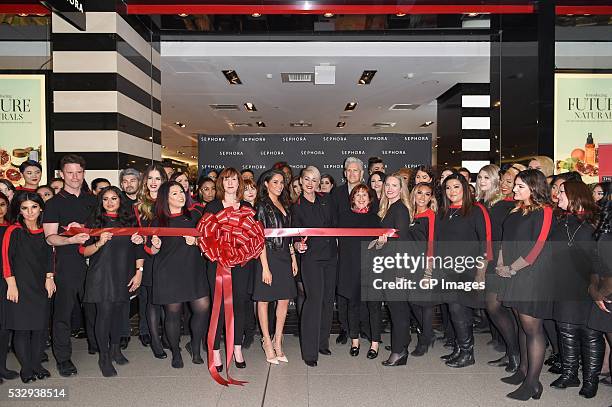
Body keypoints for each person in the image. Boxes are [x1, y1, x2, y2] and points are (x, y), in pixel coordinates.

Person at [496, 169, 553, 400]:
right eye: (515, 185)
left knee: (532, 328)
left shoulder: (545, 211)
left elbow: (537, 247)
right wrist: (501, 263)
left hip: (532, 275)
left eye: (521, 186)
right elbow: (504, 241)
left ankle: (533, 383)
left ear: (534, 188)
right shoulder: (515, 210)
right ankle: (523, 370)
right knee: (522, 325)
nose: (515, 189)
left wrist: (512, 268)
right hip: (513, 272)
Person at [42, 154, 97, 377]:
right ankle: (63, 358)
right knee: (63, 313)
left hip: (94, 261)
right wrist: (70, 238)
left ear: (84, 173)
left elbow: (104, 227)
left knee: (94, 307)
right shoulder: (54, 203)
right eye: (70, 172)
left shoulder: (93, 200)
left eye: (79, 172)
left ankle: (98, 344)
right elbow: (49, 237)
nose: (75, 177)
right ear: (61, 174)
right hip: (67, 263)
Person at [80, 186, 144, 377]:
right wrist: (99, 242)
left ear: (120, 200)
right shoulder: (95, 221)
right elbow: (83, 250)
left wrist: (139, 272)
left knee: (119, 314)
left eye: (114, 198)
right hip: (101, 276)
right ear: (101, 202)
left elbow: (138, 249)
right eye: (105, 199)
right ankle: (104, 357)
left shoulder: (130, 221)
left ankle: (116, 350)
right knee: (105, 315)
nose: (109, 202)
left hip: (123, 274)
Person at [550, 180, 604, 398]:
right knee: (566, 329)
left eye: (561, 192)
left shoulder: (595, 221)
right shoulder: (560, 220)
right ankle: (570, 374)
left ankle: (591, 381)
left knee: (590, 333)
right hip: (563, 283)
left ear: (575, 195)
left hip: (590, 284)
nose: (557, 196)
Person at [147, 181, 209, 369]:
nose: (180, 196)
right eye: (174, 193)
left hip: (193, 270)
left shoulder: (196, 216)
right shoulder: (157, 221)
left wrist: (197, 242)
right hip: (168, 273)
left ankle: (195, 346)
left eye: (181, 192)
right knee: (172, 315)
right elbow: (151, 250)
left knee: (202, 308)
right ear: (165, 199)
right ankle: (175, 351)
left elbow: (209, 242)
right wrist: (155, 246)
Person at [435, 173, 491, 369]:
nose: (452, 191)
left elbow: (486, 242)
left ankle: (468, 353)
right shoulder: (443, 212)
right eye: (448, 188)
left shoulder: (476, 210)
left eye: (456, 187)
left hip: (468, 269)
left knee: (460, 309)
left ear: (465, 188)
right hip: (448, 269)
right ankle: (460, 348)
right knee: (454, 310)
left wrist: (480, 273)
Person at [3, 192, 55, 383]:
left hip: (40, 285)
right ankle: (26, 368)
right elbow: (6, 260)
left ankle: (36, 365)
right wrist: (11, 284)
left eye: (34, 207)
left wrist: (50, 277)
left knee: (40, 329)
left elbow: (51, 257)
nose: (30, 212)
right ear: (19, 210)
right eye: (24, 208)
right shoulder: (13, 231)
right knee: (22, 330)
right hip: (20, 287)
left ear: (41, 208)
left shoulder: (46, 231)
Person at [204, 168, 252, 370]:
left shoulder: (248, 206)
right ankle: (215, 351)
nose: (230, 182)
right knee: (219, 309)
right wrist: (220, 253)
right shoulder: (213, 206)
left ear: (239, 183)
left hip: (241, 264)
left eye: (234, 179)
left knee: (239, 305)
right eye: (226, 179)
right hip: (218, 264)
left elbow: (253, 235)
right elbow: (205, 236)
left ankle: (237, 347)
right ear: (221, 183)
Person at [292, 166, 337, 367]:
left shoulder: (327, 200)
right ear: (301, 181)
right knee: (313, 301)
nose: (310, 183)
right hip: (310, 259)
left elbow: (336, 226)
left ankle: (322, 342)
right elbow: (293, 232)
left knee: (327, 301)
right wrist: (296, 244)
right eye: (307, 179)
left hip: (331, 257)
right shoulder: (297, 206)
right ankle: (309, 352)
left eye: (314, 180)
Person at [253, 170, 298, 364]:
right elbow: (259, 237)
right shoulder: (262, 206)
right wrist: (265, 267)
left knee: (284, 299)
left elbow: (287, 235)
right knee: (264, 300)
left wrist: (293, 257)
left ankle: (278, 340)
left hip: (284, 256)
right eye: (275, 182)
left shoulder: (285, 204)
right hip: (267, 256)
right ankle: (266, 342)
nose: (280, 186)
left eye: (282, 182)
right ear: (266, 184)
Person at [337, 184, 381, 359]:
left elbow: (380, 247)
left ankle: (375, 343)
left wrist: (381, 243)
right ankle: (355, 341)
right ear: (352, 198)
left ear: (370, 198)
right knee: (353, 305)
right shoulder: (343, 217)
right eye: (357, 195)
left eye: (365, 195)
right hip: (350, 267)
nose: (361, 198)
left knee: (374, 307)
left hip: (371, 268)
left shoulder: (376, 219)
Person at [485, 165, 522, 374]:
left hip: (512, 262)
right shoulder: (499, 204)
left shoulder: (521, 207)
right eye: (505, 181)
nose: (507, 185)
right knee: (493, 306)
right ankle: (512, 352)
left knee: (505, 308)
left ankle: (515, 354)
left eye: (512, 182)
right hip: (495, 259)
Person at [376, 172, 413, 366]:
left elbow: (404, 242)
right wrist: (382, 244)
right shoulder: (388, 208)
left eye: (394, 185)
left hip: (396, 267)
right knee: (395, 308)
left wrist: (400, 272)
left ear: (401, 189)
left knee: (398, 309)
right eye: (387, 185)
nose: (389, 188)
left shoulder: (400, 209)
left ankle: (399, 352)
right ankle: (402, 346)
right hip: (388, 265)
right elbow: (390, 241)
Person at [331, 157, 366, 345]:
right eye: (349, 170)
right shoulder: (336, 194)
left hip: (363, 250)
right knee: (343, 290)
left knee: (361, 292)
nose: (352, 174)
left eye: (356, 171)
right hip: (342, 249)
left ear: (362, 173)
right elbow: (332, 220)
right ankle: (345, 328)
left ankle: (360, 327)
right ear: (345, 173)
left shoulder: (370, 194)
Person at [134, 164, 167, 356]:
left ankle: (166, 335)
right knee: (150, 299)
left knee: (168, 299)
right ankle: (152, 337)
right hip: (147, 255)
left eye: (158, 179)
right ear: (145, 181)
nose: (154, 183)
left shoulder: (170, 202)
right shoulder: (139, 206)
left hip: (169, 257)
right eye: (151, 179)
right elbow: (134, 231)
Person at [409, 182, 438, 357]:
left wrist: (428, 270)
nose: (422, 197)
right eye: (420, 193)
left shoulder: (431, 216)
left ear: (431, 198)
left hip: (425, 263)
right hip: (408, 263)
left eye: (427, 194)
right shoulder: (409, 214)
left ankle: (425, 339)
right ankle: (429, 333)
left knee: (425, 304)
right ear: (414, 194)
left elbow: (432, 243)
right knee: (412, 302)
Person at [588, 199, 612, 391]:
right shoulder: (603, 229)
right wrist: (595, 290)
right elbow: (595, 262)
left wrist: (600, 293)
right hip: (605, 292)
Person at [0, 192, 19, 383]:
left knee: (4, 326)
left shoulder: (13, 228)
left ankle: (2, 366)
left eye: (2, 204)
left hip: (7, 280)